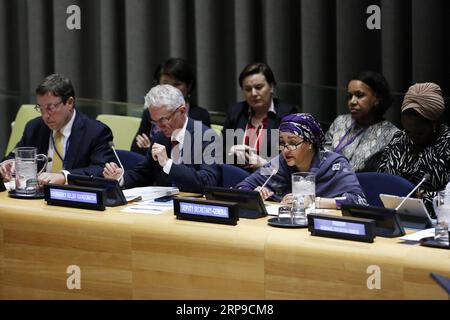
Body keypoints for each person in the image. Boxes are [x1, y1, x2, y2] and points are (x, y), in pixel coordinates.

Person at [0, 74, 115, 185]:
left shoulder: (96, 132)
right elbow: (15, 156)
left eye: (50, 108)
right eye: (41, 108)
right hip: (36, 198)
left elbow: (100, 170)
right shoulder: (35, 127)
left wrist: (64, 176)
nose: (45, 116)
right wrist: (7, 165)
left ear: (69, 103)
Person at [104, 84, 220, 193]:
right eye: (155, 122)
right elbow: (143, 173)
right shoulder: (160, 137)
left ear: (182, 111)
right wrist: (120, 178)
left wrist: (168, 164)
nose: (159, 126)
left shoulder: (207, 137)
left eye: (163, 119)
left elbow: (208, 181)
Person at [236, 113, 367, 208]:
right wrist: (254, 194)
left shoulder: (335, 164)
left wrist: (314, 202)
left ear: (310, 142)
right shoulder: (279, 163)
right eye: (282, 143)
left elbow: (358, 201)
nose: (286, 150)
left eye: (292, 143)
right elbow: (240, 188)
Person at [379, 82, 450, 218]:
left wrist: (418, 195)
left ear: (435, 124)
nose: (412, 138)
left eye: (419, 133)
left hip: (437, 221)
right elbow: (381, 179)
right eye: (409, 131)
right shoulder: (399, 139)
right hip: (393, 215)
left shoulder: (447, 144)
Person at [222, 62, 298, 171]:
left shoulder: (286, 114)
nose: (253, 93)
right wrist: (231, 150)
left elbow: (294, 157)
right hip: (237, 177)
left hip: (271, 179)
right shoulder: (235, 111)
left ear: (271, 87)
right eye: (248, 89)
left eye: (259, 87)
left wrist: (265, 164)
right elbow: (219, 150)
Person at [131, 58, 211, 155]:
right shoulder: (151, 112)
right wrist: (150, 152)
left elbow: (197, 153)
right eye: (165, 83)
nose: (170, 89)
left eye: (177, 84)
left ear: (189, 86)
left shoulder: (200, 115)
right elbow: (136, 148)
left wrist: (152, 148)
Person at [323, 71, 399, 172]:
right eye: (350, 96)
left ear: (377, 98)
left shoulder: (392, 134)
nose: (352, 101)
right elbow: (323, 155)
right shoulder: (340, 122)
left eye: (359, 95)